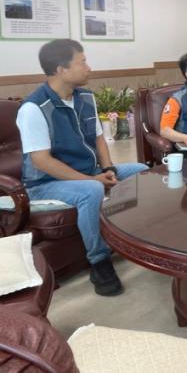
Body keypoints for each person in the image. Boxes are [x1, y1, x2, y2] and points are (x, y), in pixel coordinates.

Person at [16, 39, 148, 297]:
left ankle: (131, 238)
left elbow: (98, 138)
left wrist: (108, 168)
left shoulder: (86, 97)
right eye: (82, 62)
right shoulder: (33, 109)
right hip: (45, 184)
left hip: (89, 172)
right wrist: (93, 180)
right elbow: (42, 161)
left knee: (142, 170)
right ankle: (99, 262)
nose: (89, 67)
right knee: (90, 190)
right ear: (60, 70)